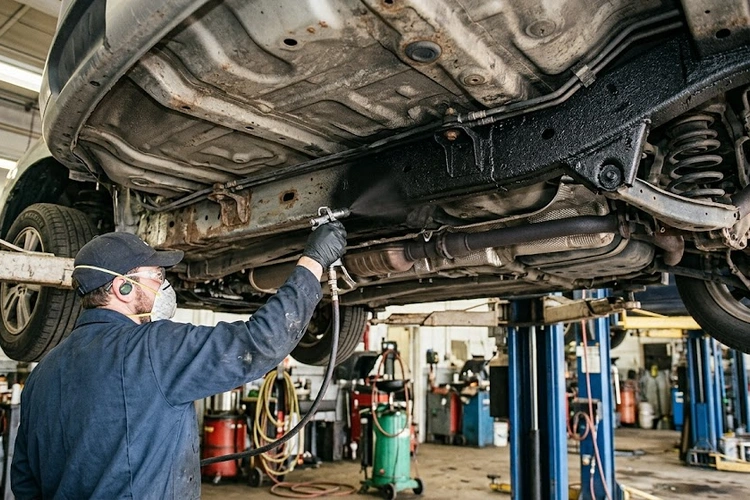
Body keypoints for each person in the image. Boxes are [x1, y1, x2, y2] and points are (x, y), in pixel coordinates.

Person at [11, 221, 347, 499]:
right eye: (156, 276)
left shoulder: (42, 375)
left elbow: (25, 483)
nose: (164, 286)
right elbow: (259, 343)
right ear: (122, 288)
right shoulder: (152, 348)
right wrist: (313, 262)